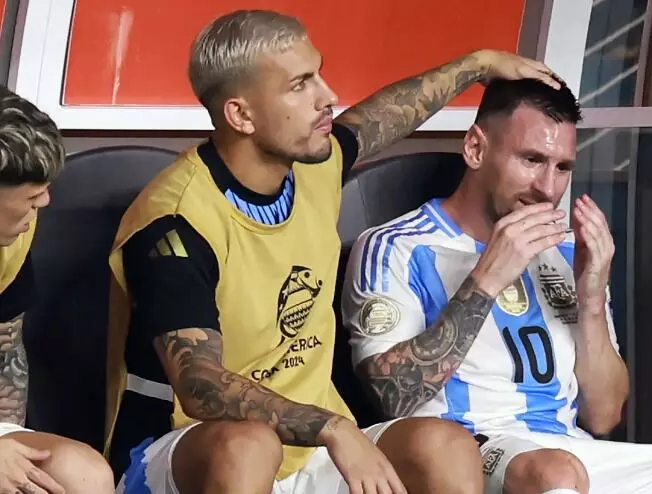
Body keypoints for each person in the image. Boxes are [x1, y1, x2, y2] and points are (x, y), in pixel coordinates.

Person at [105, 9, 562, 494]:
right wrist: (333, 428)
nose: (327, 96)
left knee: (444, 444)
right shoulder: (174, 221)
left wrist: (478, 64)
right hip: (184, 455)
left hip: (311, 451)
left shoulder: (312, 167)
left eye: (318, 74)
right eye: (300, 85)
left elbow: (383, 116)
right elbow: (199, 385)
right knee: (250, 445)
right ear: (241, 115)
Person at [342, 78, 652, 494]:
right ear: (476, 148)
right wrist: (487, 277)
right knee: (555, 472)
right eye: (531, 160)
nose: (547, 188)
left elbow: (604, 415)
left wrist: (591, 301)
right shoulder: (397, 247)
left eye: (563, 167)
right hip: (470, 447)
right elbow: (391, 398)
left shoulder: (568, 252)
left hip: (570, 449)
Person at [0, 86, 115, 493]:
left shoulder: (12, 239)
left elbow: (5, 347)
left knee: (80, 474)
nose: (45, 202)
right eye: (32, 194)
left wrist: (7, 440)